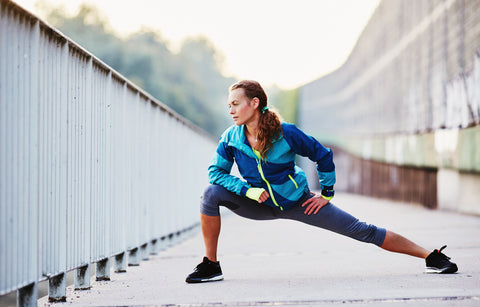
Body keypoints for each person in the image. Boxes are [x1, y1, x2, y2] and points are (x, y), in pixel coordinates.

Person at [185, 80, 458, 283]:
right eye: (229, 105)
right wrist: (247, 190)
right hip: (258, 203)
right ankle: (211, 264)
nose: (231, 110)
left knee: (363, 231)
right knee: (210, 193)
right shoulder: (230, 138)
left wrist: (326, 193)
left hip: (298, 202)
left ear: (254, 103)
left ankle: (430, 256)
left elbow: (323, 155)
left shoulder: (286, 133)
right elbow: (215, 174)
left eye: (235, 103)